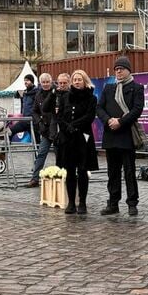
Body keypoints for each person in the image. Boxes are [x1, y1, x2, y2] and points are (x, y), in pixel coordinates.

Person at [97, 56, 144, 216]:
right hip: (111, 134)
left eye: (121, 69)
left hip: (126, 134)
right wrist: (108, 120)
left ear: (128, 70)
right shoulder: (108, 88)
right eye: (116, 69)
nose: (118, 72)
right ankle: (113, 203)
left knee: (129, 171)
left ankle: (132, 203)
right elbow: (99, 107)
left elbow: (137, 110)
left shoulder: (137, 88)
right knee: (113, 172)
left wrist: (121, 121)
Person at [58, 70, 98, 215]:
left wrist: (74, 126)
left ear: (85, 81)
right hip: (68, 138)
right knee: (69, 171)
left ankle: (82, 202)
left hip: (83, 137)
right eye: (74, 79)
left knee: (82, 171)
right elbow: (60, 115)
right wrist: (66, 127)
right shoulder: (65, 97)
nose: (76, 82)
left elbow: (90, 116)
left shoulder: (91, 98)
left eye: (79, 79)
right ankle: (71, 203)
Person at [28, 73, 57, 187]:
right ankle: (35, 178)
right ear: (40, 83)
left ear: (51, 81)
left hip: (57, 129)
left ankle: (63, 177)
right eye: (43, 82)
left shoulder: (56, 92)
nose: (45, 84)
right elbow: (34, 110)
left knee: (60, 155)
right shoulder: (38, 94)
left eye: (47, 82)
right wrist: (39, 122)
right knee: (41, 154)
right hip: (45, 129)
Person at [53, 73, 71, 167]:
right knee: (59, 158)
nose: (62, 85)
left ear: (69, 83)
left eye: (64, 83)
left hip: (67, 130)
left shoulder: (71, 95)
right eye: (60, 83)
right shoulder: (55, 94)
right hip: (55, 131)